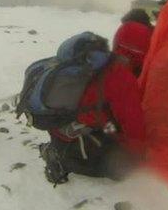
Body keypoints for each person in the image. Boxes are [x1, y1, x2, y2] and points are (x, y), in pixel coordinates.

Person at [39, 21, 153, 184]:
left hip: (59, 125)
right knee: (125, 167)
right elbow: (133, 124)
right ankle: (61, 159)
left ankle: (61, 149)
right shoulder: (119, 77)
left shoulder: (93, 64)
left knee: (106, 128)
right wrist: (140, 155)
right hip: (77, 137)